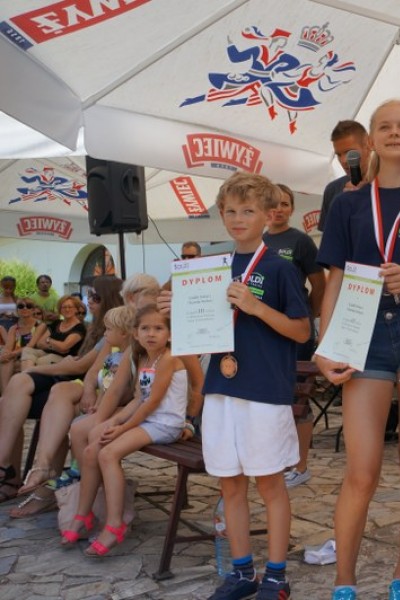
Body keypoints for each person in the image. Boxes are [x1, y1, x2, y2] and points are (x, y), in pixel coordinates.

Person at [316, 99, 400, 600]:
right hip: (363, 334)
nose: (395, 132)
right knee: (362, 470)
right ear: (370, 140)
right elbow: (333, 279)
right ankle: (344, 581)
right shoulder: (348, 205)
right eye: (385, 126)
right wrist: (324, 346)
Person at [174, 172, 309, 600]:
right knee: (230, 484)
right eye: (230, 211)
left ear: (269, 215)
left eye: (248, 210)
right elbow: (199, 333)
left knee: (269, 484)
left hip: (264, 392)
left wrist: (256, 307)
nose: (237, 218)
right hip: (221, 390)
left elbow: (302, 331)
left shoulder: (280, 268)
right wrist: (177, 310)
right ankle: (242, 572)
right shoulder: (210, 269)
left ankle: (276, 575)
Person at [61, 304, 187, 556]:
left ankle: (114, 524)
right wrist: (114, 422)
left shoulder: (169, 359)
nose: (151, 334)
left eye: (158, 328)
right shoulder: (143, 358)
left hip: (165, 424)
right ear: (136, 334)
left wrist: (123, 428)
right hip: (148, 420)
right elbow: (139, 398)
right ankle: (83, 515)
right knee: (91, 450)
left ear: (170, 334)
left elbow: (152, 403)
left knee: (108, 454)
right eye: (145, 328)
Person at [0, 275, 123, 509]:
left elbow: (80, 366)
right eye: (88, 296)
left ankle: (22, 474)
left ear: (109, 299)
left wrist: (35, 368)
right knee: (14, 389)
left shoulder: (111, 329)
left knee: (38, 395)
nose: (89, 301)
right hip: (71, 379)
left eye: (95, 297)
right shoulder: (95, 325)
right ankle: (5, 466)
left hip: (76, 383)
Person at [17, 305, 134, 497]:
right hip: (105, 403)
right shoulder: (112, 356)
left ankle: (84, 476)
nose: (105, 334)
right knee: (74, 416)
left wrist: (100, 410)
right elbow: (105, 386)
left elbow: (120, 391)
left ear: (123, 333)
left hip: (119, 407)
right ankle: (72, 472)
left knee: (81, 426)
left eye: (108, 330)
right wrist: (97, 402)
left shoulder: (127, 357)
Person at [265, 183, 326, 489]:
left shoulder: (300, 241)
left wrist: (307, 317)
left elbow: (320, 285)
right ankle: (277, 460)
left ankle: (300, 466)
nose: (278, 209)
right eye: (273, 204)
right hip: (265, 332)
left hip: (294, 332)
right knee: (271, 397)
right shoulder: (257, 239)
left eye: (285, 204)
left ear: (291, 208)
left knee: (297, 397)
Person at [319, 120, 372, 232]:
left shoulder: (390, 185)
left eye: (349, 152)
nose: (343, 160)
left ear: (368, 146)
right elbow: (329, 237)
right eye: (339, 155)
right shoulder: (332, 190)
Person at [19, 296, 86, 369]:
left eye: (70, 307)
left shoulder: (79, 327)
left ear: (76, 309)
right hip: (47, 353)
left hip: (64, 359)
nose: (67, 309)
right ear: (60, 310)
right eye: (64, 307)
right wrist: (55, 346)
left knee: (41, 361)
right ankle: (26, 374)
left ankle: (26, 374)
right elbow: (40, 343)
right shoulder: (57, 323)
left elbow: (64, 347)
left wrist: (49, 340)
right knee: (27, 350)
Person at [0, 299, 47, 392]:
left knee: (9, 359)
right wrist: (5, 354)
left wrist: (11, 354)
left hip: (33, 355)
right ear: (17, 310)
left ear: (33, 310)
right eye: (21, 306)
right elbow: (8, 347)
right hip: (17, 356)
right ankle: (5, 394)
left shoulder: (40, 325)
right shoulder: (14, 328)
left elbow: (31, 345)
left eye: (29, 306)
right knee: (6, 359)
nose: (25, 308)